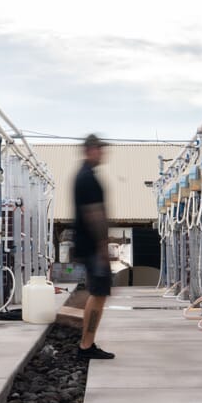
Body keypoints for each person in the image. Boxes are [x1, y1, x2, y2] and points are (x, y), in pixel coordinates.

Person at [72, 134, 115, 360]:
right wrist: (102, 246)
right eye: (100, 149)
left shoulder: (84, 175)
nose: (103, 153)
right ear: (90, 150)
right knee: (98, 293)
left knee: (98, 293)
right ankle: (86, 346)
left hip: (89, 245)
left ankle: (87, 344)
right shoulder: (87, 178)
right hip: (92, 246)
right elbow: (94, 214)